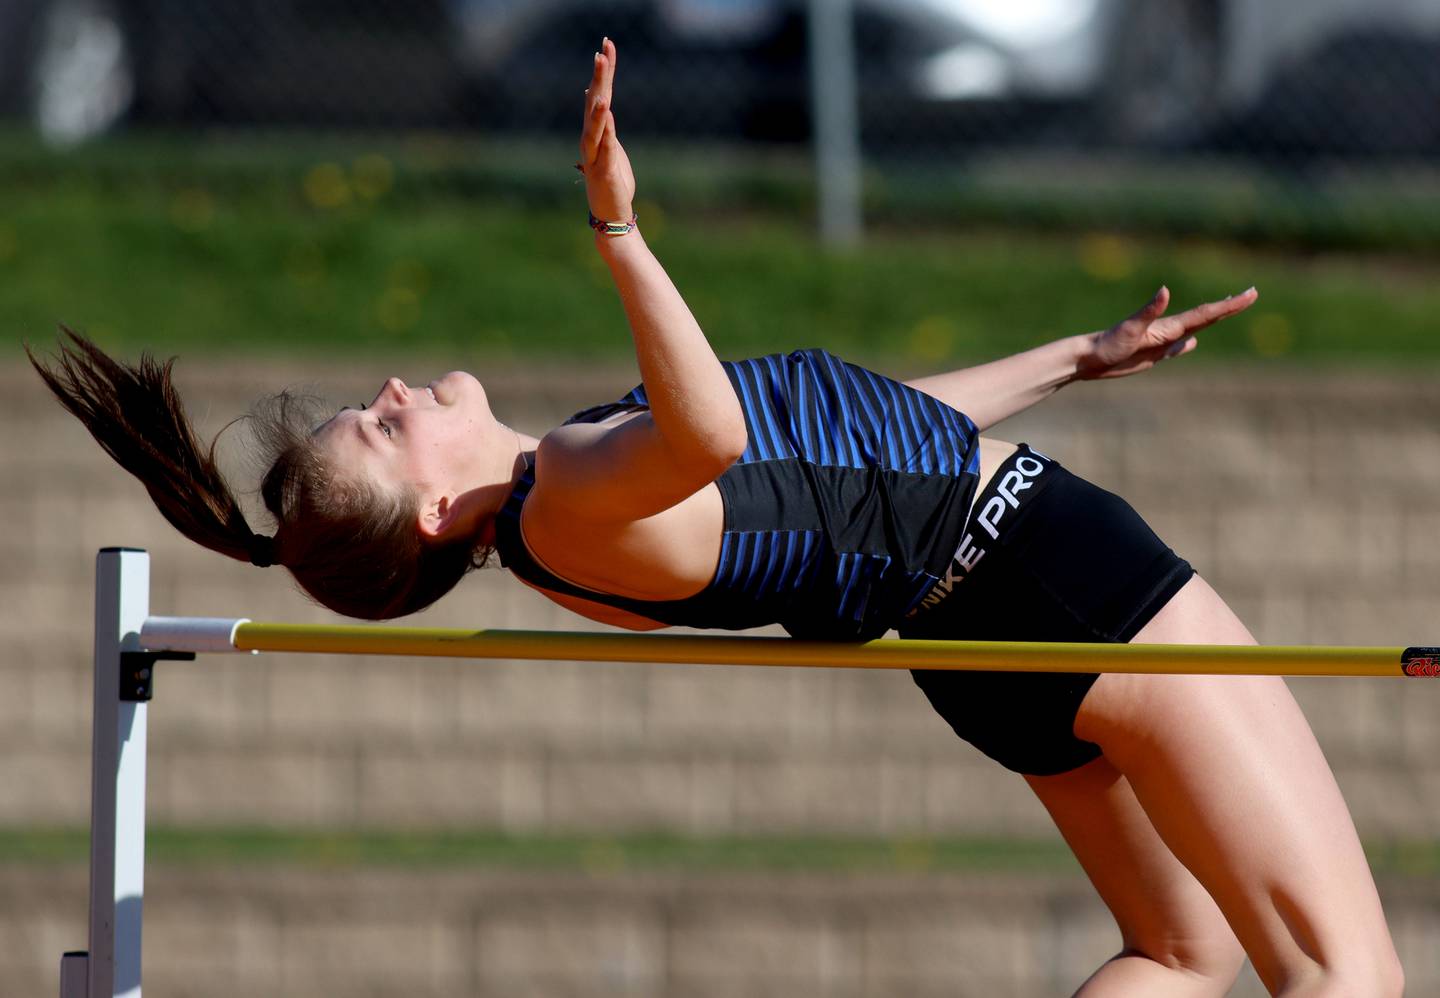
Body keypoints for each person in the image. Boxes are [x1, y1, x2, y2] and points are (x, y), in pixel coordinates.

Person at [29, 38, 1401, 998]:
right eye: (384, 426)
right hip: (1047, 574)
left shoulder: (572, 498)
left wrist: (1062, 360)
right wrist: (622, 234)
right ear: (437, 507)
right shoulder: (566, 494)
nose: (393, 389)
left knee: (1181, 955)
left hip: (977, 623)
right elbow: (728, 430)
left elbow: (850, 447)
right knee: (1348, 970)